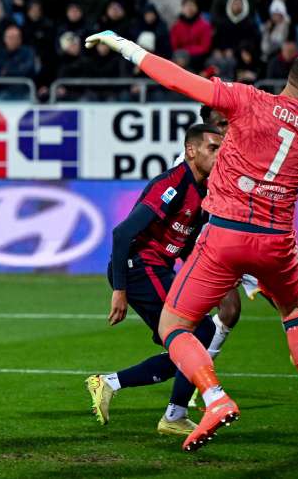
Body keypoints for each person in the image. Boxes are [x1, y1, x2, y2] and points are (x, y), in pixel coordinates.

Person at [84, 29, 298, 452]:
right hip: (278, 243)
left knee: (174, 326)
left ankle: (214, 398)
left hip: (226, 236)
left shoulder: (248, 100)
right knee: (294, 311)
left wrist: (124, 45)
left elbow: (177, 79)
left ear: (290, 78)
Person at [86, 124, 225, 437]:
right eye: (213, 148)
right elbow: (122, 233)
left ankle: (111, 384)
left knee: (194, 340)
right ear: (191, 151)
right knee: (195, 334)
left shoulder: (205, 191)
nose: (219, 155)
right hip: (139, 268)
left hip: (158, 269)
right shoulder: (172, 184)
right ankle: (173, 414)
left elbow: (185, 247)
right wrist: (119, 290)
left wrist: (206, 282)